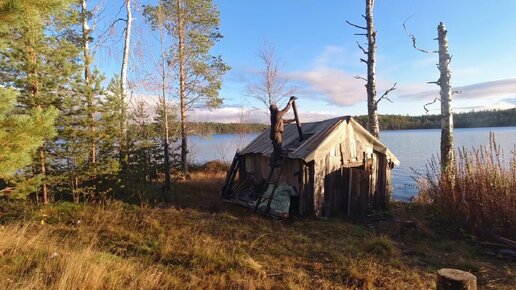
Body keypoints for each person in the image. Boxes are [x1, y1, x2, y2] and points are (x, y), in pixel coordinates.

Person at [269, 96, 297, 166]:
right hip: (276, 134)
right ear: (275, 108)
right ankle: (277, 162)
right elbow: (285, 110)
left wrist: (292, 120)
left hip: (273, 134)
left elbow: (283, 121)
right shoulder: (277, 114)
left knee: (276, 149)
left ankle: (272, 162)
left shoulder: (274, 115)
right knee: (278, 148)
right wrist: (290, 101)